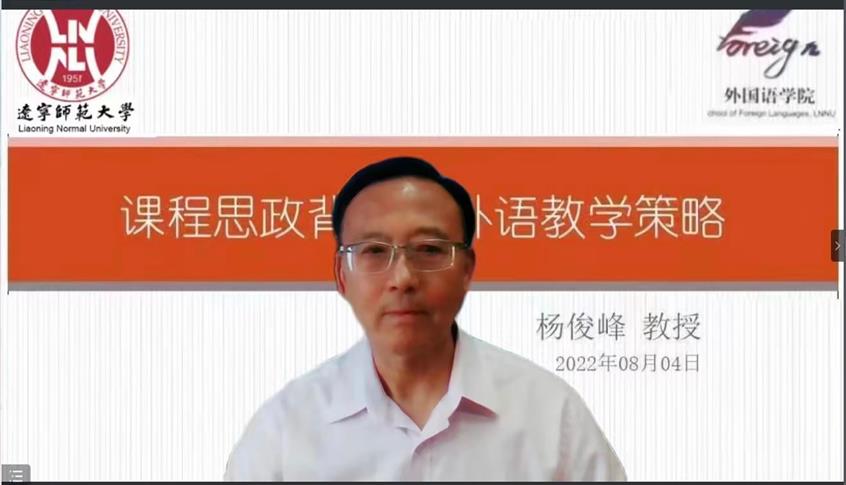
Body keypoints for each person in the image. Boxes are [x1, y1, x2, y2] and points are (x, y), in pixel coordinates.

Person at [224, 156, 626, 481]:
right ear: (341, 276)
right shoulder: (284, 430)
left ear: (467, 269)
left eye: (430, 250)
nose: (403, 278)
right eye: (374, 251)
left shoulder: (550, 415)